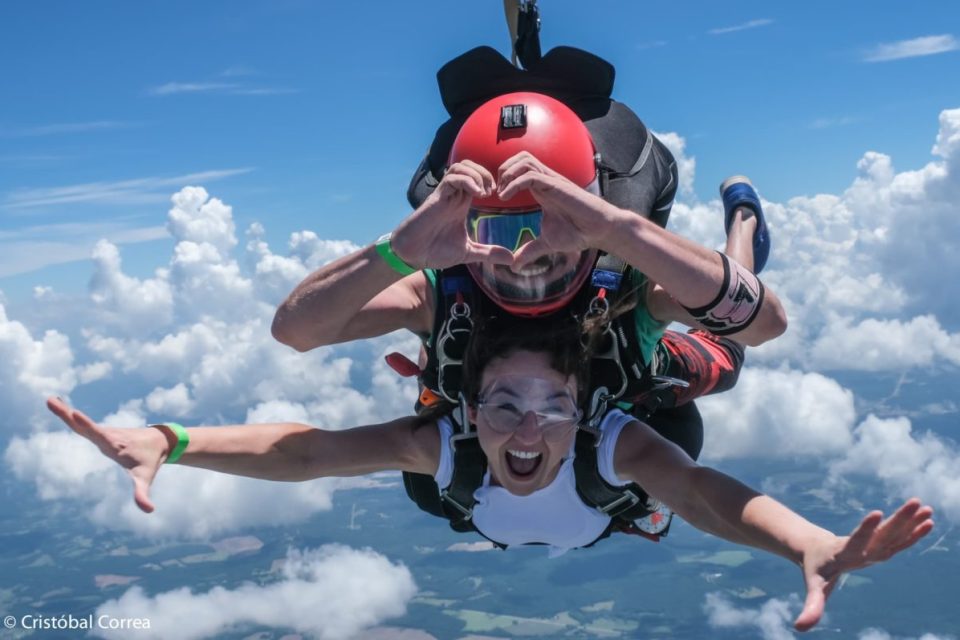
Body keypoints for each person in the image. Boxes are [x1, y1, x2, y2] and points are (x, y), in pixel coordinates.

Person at [46, 315, 933, 633]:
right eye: (504, 403)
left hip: (616, 492)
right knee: (420, 461)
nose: (526, 428)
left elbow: (703, 495)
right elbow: (310, 451)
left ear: (581, 409)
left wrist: (807, 544)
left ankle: (745, 225)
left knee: (717, 366)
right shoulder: (450, 446)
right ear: (469, 410)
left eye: (551, 406)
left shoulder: (611, 446)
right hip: (502, 477)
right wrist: (174, 437)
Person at [270, 91, 786, 534]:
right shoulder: (437, 288)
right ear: (465, 228)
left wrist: (617, 230)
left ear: (587, 216)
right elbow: (295, 330)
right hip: (589, 392)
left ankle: (743, 225)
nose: (526, 259)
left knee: (724, 347)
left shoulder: (624, 276)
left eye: (550, 226)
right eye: (499, 231)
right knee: (720, 329)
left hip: (637, 381)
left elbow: (761, 323)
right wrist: (396, 253)